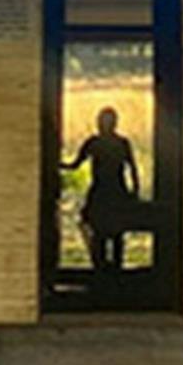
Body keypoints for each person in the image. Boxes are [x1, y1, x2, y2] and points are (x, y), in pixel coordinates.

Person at [64, 106, 141, 271]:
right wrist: (135, 191)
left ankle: (102, 267)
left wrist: (58, 166)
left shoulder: (94, 143)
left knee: (100, 231)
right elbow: (132, 168)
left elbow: (75, 164)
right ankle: (114, 269)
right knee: (115, 232)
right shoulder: (121, 143)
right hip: (116, 190)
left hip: (101, 191)